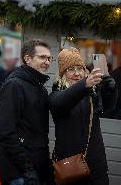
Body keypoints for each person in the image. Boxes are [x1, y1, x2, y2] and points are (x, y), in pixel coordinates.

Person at [49, 47, 117, 185]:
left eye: (80, 69)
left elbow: (109, 108)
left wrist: (111, 90)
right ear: (62, 74)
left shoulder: (92, 93)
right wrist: (84, 85)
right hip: (69, 166)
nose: (77, 73)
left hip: (95, 165)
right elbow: (61, 102)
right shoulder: (56, 95)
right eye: (71, 69)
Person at [0, 39, 53, 185]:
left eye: (49, 58)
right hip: (19, 174)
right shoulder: (14, 85)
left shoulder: (40, 88)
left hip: (38, 168)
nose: (47, 62)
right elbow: (6, 133)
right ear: (27, 59)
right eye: (42, 57)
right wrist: (27, 169)